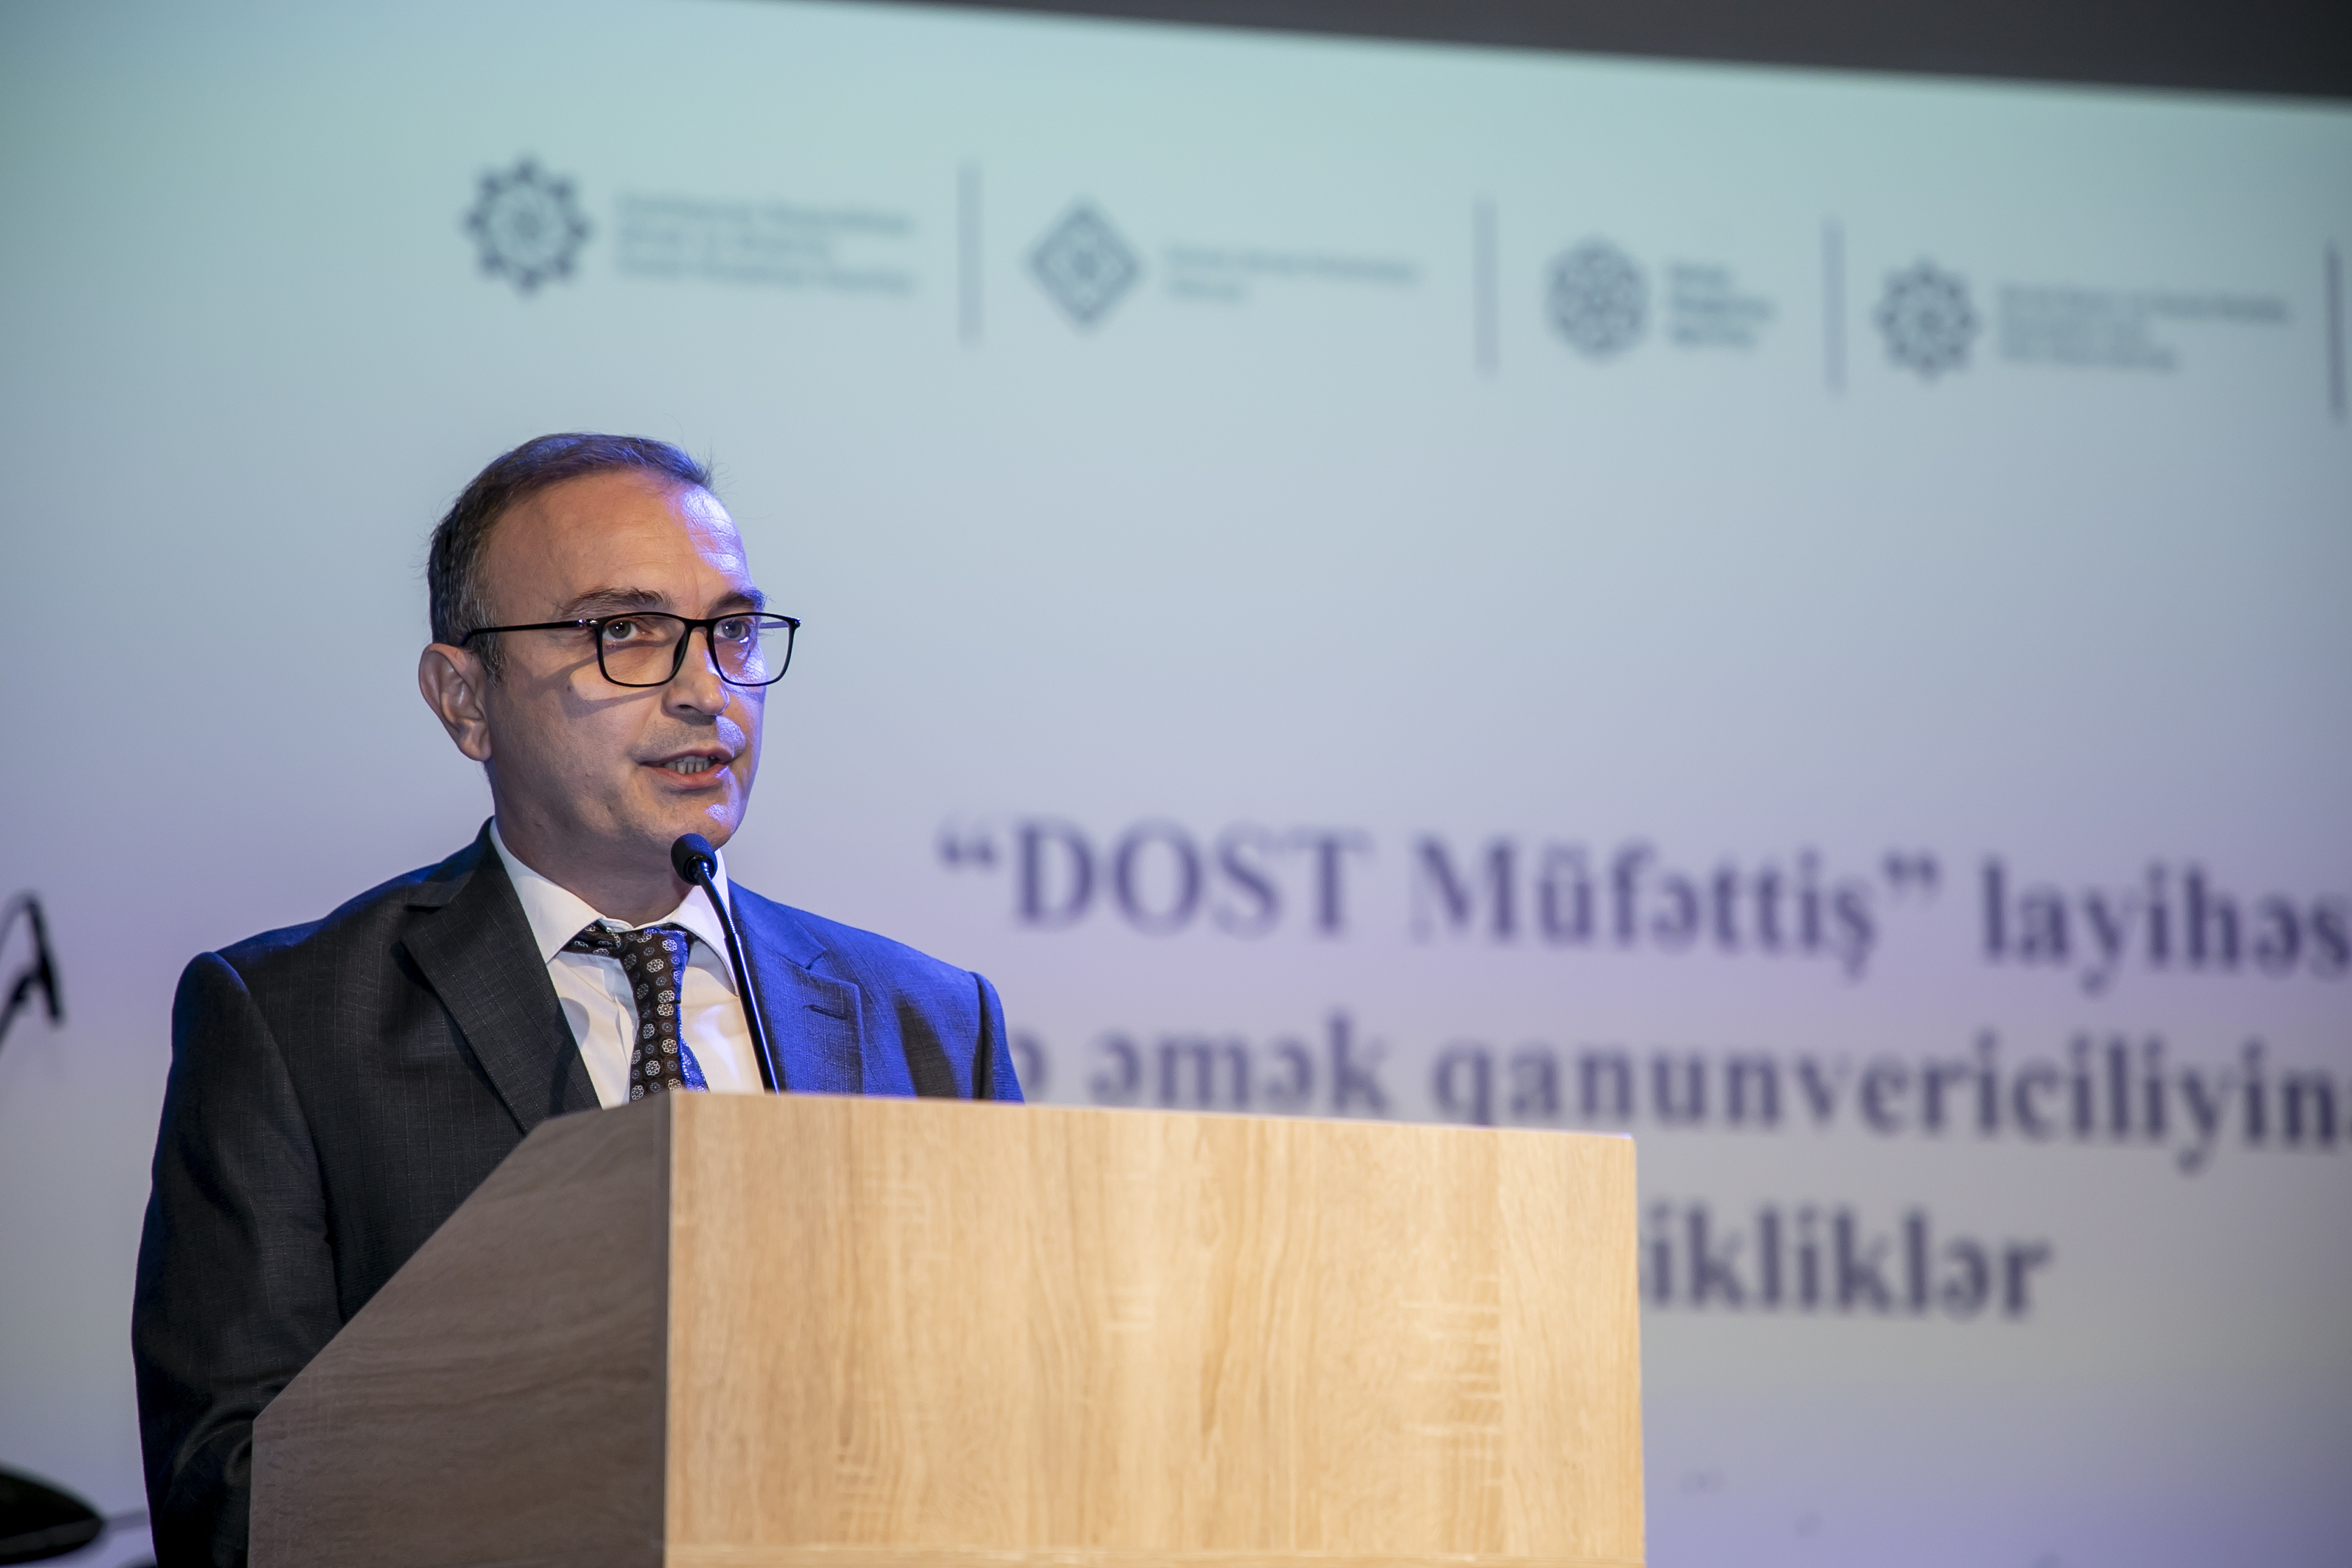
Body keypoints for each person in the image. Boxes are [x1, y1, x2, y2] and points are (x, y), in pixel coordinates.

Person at [130, 433, 1021, 1567]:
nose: (706, 691)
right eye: (628, 631)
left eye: (733, 631)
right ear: (465, 699)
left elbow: (1023, 1422)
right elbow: (232, 1500)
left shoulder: (928, 1024)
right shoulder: (291, 1024)